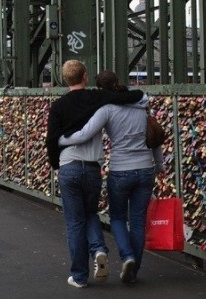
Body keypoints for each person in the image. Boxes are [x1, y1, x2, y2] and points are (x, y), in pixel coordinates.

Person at [45, 60, 145, 288]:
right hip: (91, 168)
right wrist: (139, 92)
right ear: (85, 77)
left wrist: (56, 164)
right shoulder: (95, 98)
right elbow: (128, 97)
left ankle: (80, 276)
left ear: (65, 79)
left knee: (74, 222)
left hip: (68, 166)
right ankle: (99, 249)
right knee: (90, 213)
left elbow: (51, 139)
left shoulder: (58, 106)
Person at [59, 70, 164, 285]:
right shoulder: (142, 104)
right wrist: (159, 165)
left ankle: (128, 256)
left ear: (100, 90)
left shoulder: (106, 109)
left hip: (120, 170)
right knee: (137, 221)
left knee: (117, 218)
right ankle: (132, 272)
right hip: (146, 169)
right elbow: (154, 136)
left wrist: (60, 139)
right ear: (118, 82)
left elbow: (86, 133)